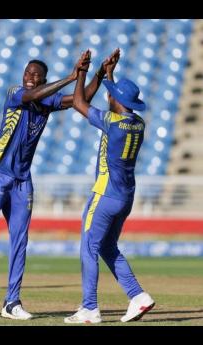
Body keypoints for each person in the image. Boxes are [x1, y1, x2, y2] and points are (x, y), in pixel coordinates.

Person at [0, 49, 121, 320]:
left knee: (20, 240)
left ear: (44, 80)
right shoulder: (15, 93)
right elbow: (31, 96)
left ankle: (11, 302)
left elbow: (82, 99)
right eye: (28, 73)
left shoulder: (48, 102)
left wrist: (98, 72)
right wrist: (71, 75)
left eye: (36, 75)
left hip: (22, 180)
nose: (30, 77)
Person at [64, 49, 155, 324]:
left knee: (88, 247)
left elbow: (79, 102)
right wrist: (108, 75)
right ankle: (138, 297)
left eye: (111, 94)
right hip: (125, 196)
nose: (108, 96)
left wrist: (82, 72)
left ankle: (89, 308)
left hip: (104, 194)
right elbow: (116, 101)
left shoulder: (112, 123)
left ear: (115, 100)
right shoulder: (137, 123)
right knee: (107, 247)